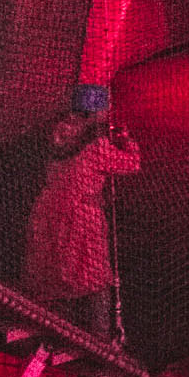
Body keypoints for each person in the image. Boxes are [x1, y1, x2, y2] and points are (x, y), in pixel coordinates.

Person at [23, 84, 140, 338]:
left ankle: (48, 332)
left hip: (48, 211)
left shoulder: (57, 135)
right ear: (97, 112)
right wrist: (126, 141)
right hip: (80, 215)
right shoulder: (96, 146)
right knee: (95, 278)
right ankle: (102, 338)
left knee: (53, 277)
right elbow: (132, 164)